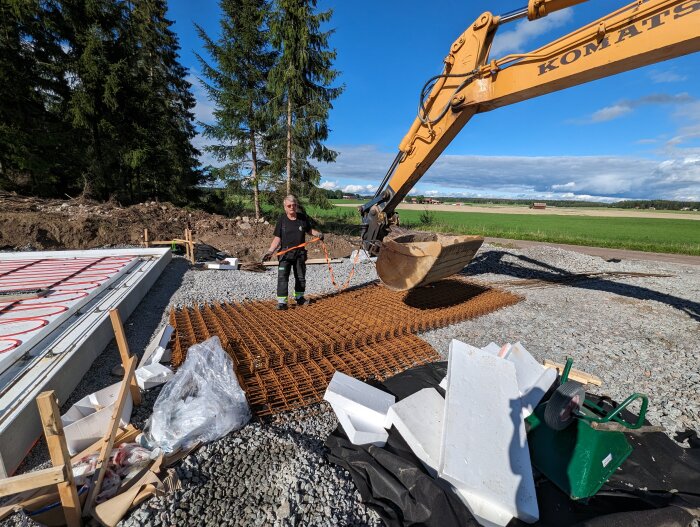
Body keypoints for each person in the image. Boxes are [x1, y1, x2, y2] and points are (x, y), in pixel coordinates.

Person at [263, 195, 324, 310]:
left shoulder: (302, 218)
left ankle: (300, 298)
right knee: (282, 277)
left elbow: (309, 230)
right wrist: (270, 251)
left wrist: (318, 234)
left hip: (300, 254)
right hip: (285, 254)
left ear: (296, 206)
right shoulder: (282, 220)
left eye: (294, 205)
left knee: (300, 277)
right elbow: (277, 238)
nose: (292, 207)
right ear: (285, 207)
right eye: (289, 206)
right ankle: (282, 302)